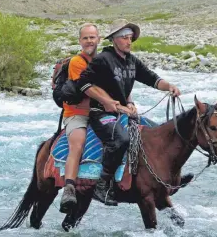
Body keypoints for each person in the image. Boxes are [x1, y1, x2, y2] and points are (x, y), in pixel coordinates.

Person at [78, 19, 193, 206]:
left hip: (124, 113)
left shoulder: (131, 61)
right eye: (124, 38)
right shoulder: (103, 59)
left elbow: (152, 78)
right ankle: (102, 183)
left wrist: (168, 86)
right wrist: (106, 101)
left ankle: (171, 177)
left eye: (130, 38)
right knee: (121, 140)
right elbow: (83, 84)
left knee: (162, 133)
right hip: (101, 114)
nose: (128, 42)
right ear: (114, 40)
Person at [59, 23, 101, 214]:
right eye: (85, 38)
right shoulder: (77, 62)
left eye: (92, 37)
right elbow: (88, 89)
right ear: (80, 41)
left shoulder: (103, 60)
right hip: (77, 113)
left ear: (98, 39)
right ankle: (69, 188)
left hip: (99, 111)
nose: (89, 41)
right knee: (78, 142)